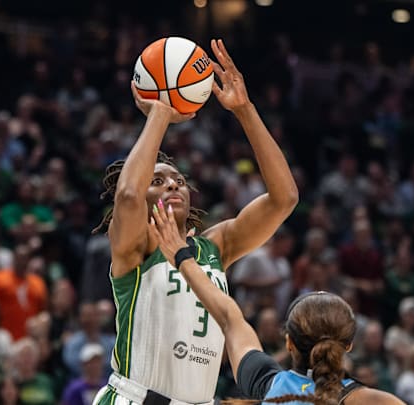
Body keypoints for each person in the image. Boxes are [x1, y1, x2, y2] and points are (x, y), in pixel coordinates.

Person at [92, 38, 298, 405]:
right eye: (158, 180)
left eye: (179, 180)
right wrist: (160, 112)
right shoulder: (134, 245)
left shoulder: (216, 246)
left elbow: (285, 199)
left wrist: (245, 110)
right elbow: (127, 196)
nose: (172, 183)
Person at [148, 203, 402, 404]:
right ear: (348, 345)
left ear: (288, 342)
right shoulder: (369, 400)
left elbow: (228, 317)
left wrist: (182, 257)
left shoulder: (269, 385)